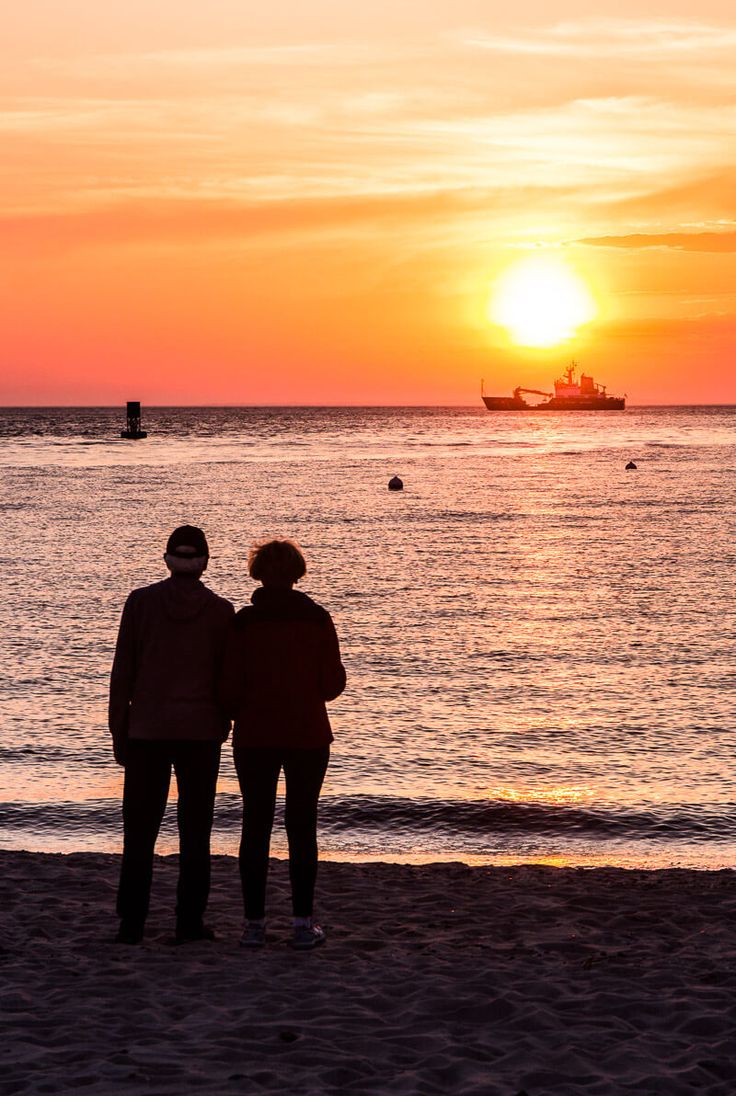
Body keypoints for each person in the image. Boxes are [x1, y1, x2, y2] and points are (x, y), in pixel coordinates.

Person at [109, 525, 234, 945]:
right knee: (195, 831)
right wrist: (226, 721)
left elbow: (123, 670)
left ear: (167, 559)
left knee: (140, 830)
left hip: (147, 729)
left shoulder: (141, 603)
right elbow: (226, 680)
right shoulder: (221, 611)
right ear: (204, 562)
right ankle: (188, 921)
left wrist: (118, 728)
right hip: (200, 733)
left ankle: (132, 923)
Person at [220, 539, 346, 950]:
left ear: (258, 574)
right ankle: (301, 923)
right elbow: (332, 686)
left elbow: (230, 686)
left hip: (255, 734)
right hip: (307, 733)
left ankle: (254, 925)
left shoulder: (243, 623)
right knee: (302, 826)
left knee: (255, 825)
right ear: (297, 573)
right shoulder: (317, 619)